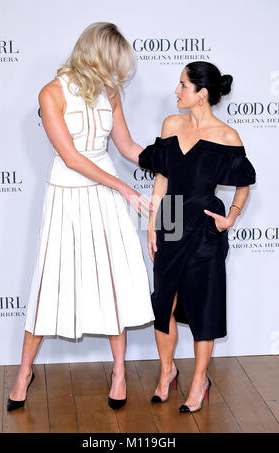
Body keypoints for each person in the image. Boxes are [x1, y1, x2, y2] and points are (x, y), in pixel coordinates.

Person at [7, 22, 155, 412]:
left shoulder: (111, 91)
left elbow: (125, 146)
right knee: (50, 282)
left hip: (104, 196)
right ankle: (24, 372)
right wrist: (122, 187)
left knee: (113, 279)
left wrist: (171, 160)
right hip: (67, 195)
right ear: (94, 55)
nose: (117, 73)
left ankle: (120, 372)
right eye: (112, 63)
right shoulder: (51, 92)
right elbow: (72, 158)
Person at [138, 61, 256, 413]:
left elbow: (243, 184)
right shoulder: (171, 124)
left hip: (205, 224)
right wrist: (151, 225)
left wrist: (230, 218)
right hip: (171, 215)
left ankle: (199, 380)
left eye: (183, 85)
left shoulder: (227, 136)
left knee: (203, 307)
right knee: (164, 304)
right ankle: (166, 372)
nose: (176, 91)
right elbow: (162, 179)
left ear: (202, 94)